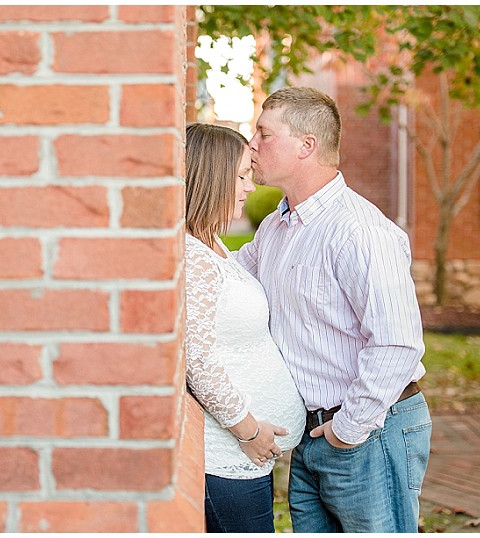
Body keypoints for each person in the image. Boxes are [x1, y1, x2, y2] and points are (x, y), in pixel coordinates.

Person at [236, 86, 431, 533]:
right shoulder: (276, 226)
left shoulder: (360, 231)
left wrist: (348, 429)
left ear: (307, 145)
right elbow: (226, 275)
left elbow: (397, 343)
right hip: (311, 434)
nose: (253, 145)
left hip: (368, 430)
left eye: (264, 133)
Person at [184, 122, 306, 533]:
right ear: (210, 177)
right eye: (239, 176)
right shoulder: (192, 258)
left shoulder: (211, 244)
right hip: (229, 458)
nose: (249, 187)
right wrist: (250, 430)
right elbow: (196, 360)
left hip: (245, 457)